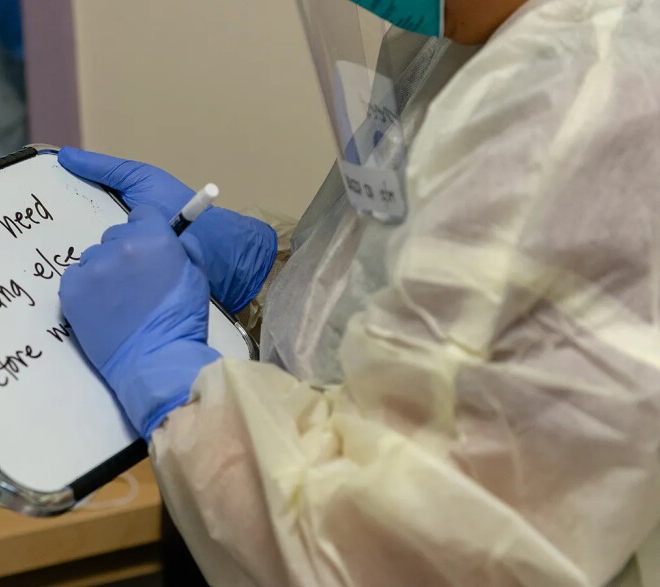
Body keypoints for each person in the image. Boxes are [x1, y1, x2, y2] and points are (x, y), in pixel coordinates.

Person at [58, 0, 660, 584]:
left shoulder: (596, 95)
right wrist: (269, 278)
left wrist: (164, 368)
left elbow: (393, 555)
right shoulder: (463, 39)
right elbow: (430, 321)